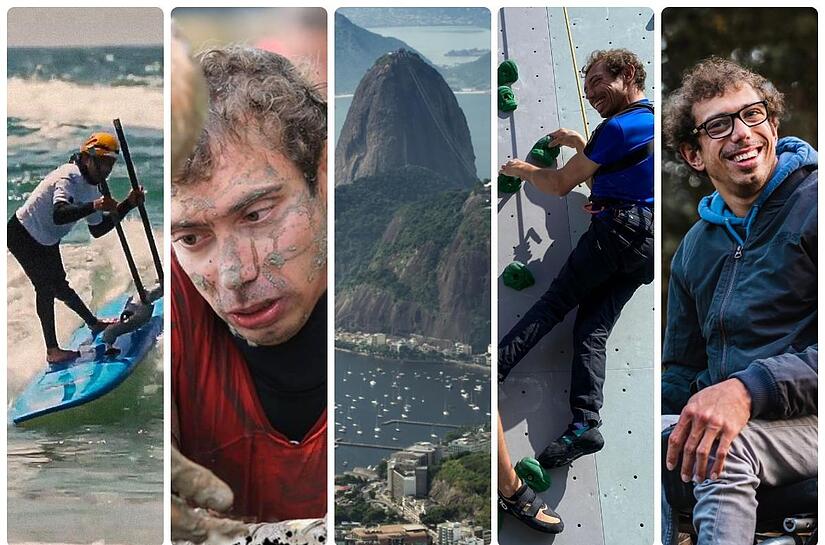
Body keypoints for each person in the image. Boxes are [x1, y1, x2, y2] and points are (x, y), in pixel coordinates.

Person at [170, 45, 327, 542]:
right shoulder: (171, 306)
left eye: (257, 214)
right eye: (193, 237)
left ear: (325, 180)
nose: (234, 275)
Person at [660, 58, 817, 545]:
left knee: (719, 451)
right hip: (741, 417)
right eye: (719, 125)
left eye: (753, 115)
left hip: (810, 417)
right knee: (630, 446)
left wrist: (746, 390)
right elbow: (681, 371)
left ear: (772, 124)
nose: (742, 134)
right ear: (693, 154)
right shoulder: (696, 248)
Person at [498, 48, 654, 468]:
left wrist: (524, 171)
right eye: (587, 90)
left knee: (554, 304)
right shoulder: (650, 125)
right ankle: (585, 423)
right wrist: (578, 144)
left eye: (598, 83)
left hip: (618, 232)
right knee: (591, 331)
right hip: (646, 246)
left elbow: (563, 183)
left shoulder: (618, 127)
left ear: (627, 73)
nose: (591, 95)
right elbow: (624, 171)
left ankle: (494, 370)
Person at [7, 132, 144, 363]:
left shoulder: (94, 187)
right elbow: (59, 214)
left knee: (60, 286)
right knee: (46, 287)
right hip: (23, 234)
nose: (106, 170)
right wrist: (94, 205)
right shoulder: (69, 177)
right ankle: (53, 351)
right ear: (87, 158)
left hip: (46, 238)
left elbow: (98, 229)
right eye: (101, 163)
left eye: (110, 164)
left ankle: (93, 322)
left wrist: (128, 205)